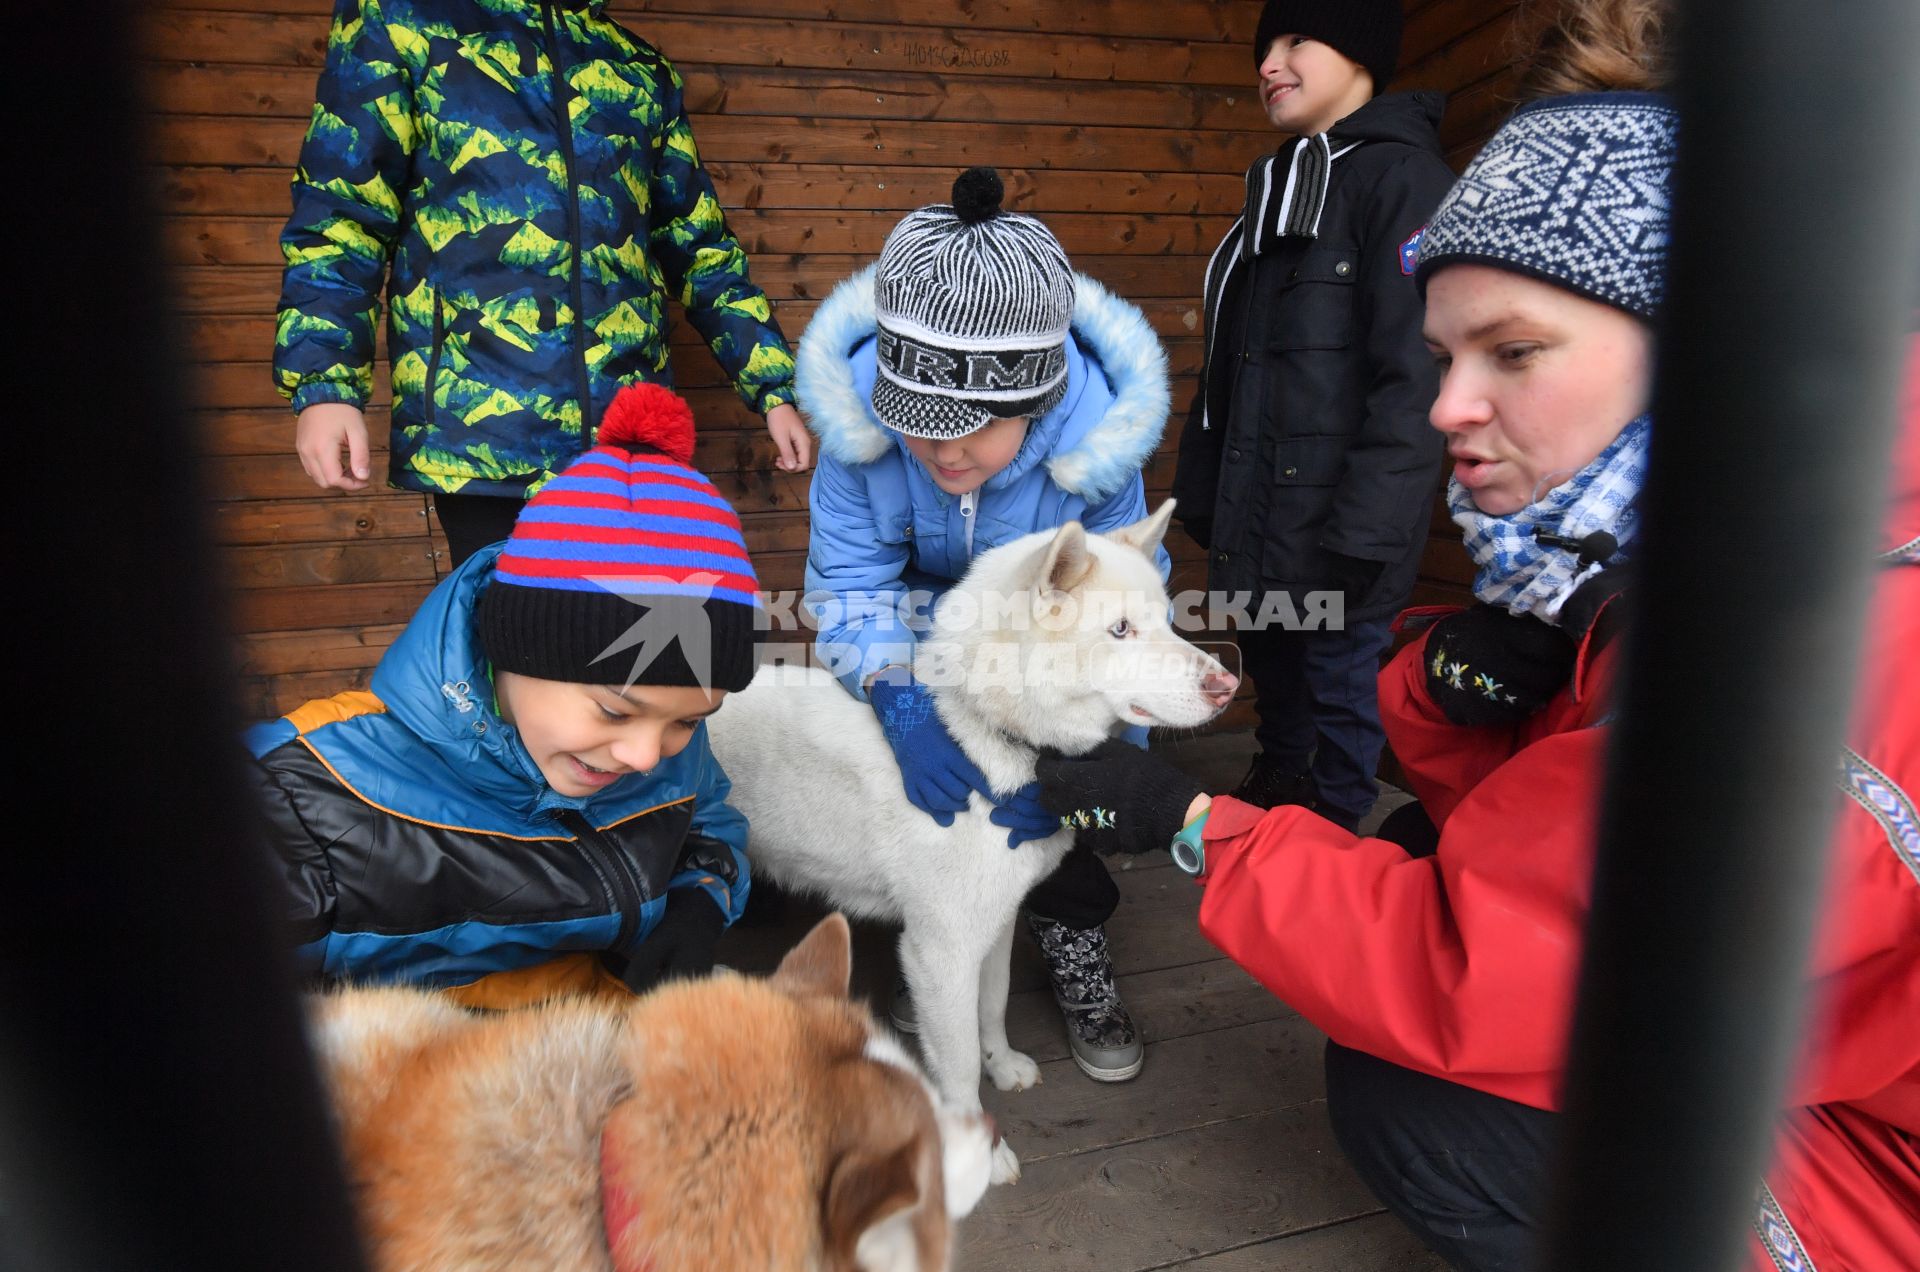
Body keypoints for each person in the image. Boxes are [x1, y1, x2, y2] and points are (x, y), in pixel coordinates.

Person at [1033, 73, 1920, 1272]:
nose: (1449, 403)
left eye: (1513, 350)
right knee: (1402, 836)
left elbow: (1479, 956)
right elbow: (1543, 840)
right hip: (1822, 1049)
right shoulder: (1697, 555)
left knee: (1415, 1092)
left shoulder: (1819, 669)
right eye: (1442, 352)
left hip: (1883, 1168)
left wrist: (1195, 824)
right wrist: (1476, 680)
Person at [795, 167, 1171, 1082]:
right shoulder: (860, 433)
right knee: (916, 782)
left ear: (1037, 399)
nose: (941, 450)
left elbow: (1120, 613)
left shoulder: (1096, 451)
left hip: (1047, 638)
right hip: (916, 627)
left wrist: (1097, 752)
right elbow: (848, 581)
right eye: (918, 422)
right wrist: (897, 696)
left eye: (971, 428)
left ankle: (1073, 929)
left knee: (1054, 803)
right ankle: (928, 949)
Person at [247, 383, 761, 1005]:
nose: (649, 756)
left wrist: (696, 908)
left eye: (688, 721)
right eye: (615, 710)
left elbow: (706, 820)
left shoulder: (662, 747)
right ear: (509, 647)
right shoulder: (300, 792)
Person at [274, 0, 809, 569]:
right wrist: (324, 383)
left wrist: (772, 387)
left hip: (627, 439)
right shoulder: (402, 21)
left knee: (621, 647)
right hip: (481, 428)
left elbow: (699, 244)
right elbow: (341, 216)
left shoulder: (637, 67)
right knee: (508, 644)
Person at [1169, 0, 1456, 828]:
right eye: (1265, 46)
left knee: (1338, 685)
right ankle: (1281, 792)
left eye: (1297, 40)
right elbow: (1239, 363)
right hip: (1263, 511)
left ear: (1361, 54)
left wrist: (1370, 529)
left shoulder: (1403, 182)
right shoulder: (1286, 184)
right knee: (1276, 667)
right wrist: (1208, 493)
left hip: (1339, 523)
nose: (1268, 64)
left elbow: (1415, 377)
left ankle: (1333, 837)